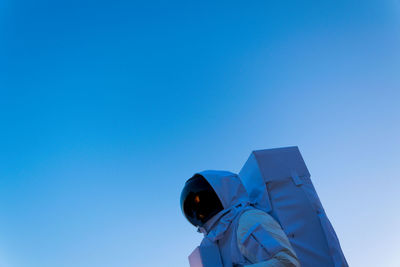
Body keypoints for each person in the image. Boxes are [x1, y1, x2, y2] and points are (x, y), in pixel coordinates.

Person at [180, 170, 300, 267]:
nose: (198, 209)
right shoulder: (210, 242)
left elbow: (287, 263)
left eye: (202, 201)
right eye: (193, 206)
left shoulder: (246, 220)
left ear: (223, 192)